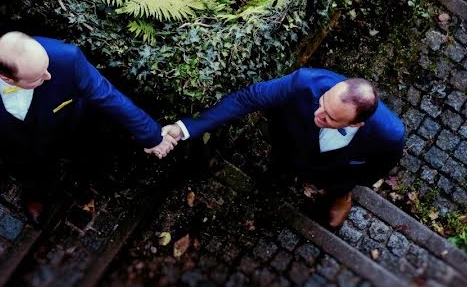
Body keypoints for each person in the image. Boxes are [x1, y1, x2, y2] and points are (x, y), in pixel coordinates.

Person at [0, 31, 176, 225]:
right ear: (6, 78)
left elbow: (107, 95)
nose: (49, 76)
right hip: (14, 142)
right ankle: (34, 193)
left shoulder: (67, 57)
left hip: (65, 127)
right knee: (25, 167)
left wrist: (152, 135)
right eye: (38, 77)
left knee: (82, 151)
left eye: (46, 69)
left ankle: (86, 173)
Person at [161, 69, 405, 227]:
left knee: (340, 184)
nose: (318, 114)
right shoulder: (305, 82)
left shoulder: (390, 135)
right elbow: (247, 98)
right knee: (280, 165)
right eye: (322, 102)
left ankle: (341, 197)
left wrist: (345, 183)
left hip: (336, 171)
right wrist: (185, 128)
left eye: (330, 117)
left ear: (356, 124)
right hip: (291, 143)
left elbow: (375, 170)